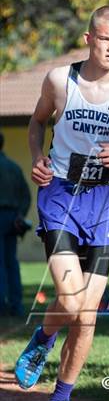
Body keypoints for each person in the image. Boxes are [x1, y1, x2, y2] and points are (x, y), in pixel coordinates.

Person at [14, 5, 109, 401]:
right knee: (71, 301)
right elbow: (37, 124)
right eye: (105, 38)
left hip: (104, 202)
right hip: (60, 196)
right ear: (89, 38)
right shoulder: (59, 80)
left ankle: (61, 400)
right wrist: (37, 158)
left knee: (87, 314)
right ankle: (44, 338)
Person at [0, 132, 31, 316]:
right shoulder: (14, 167)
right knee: (11, 261)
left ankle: (2, 305)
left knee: (0, 262)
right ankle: (16, 304)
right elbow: (26, 196)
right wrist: (20, 215)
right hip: (13, 218)